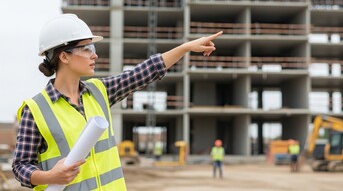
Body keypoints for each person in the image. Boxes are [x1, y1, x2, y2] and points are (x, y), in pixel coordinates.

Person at [12, 13, 222, 190]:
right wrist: (48, 177)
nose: (95, 55)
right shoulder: (36, 109)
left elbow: (145, 72)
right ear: (64, 57)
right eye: (87, 49)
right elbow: (21, 166)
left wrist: (184, 48)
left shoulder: (99, 91)